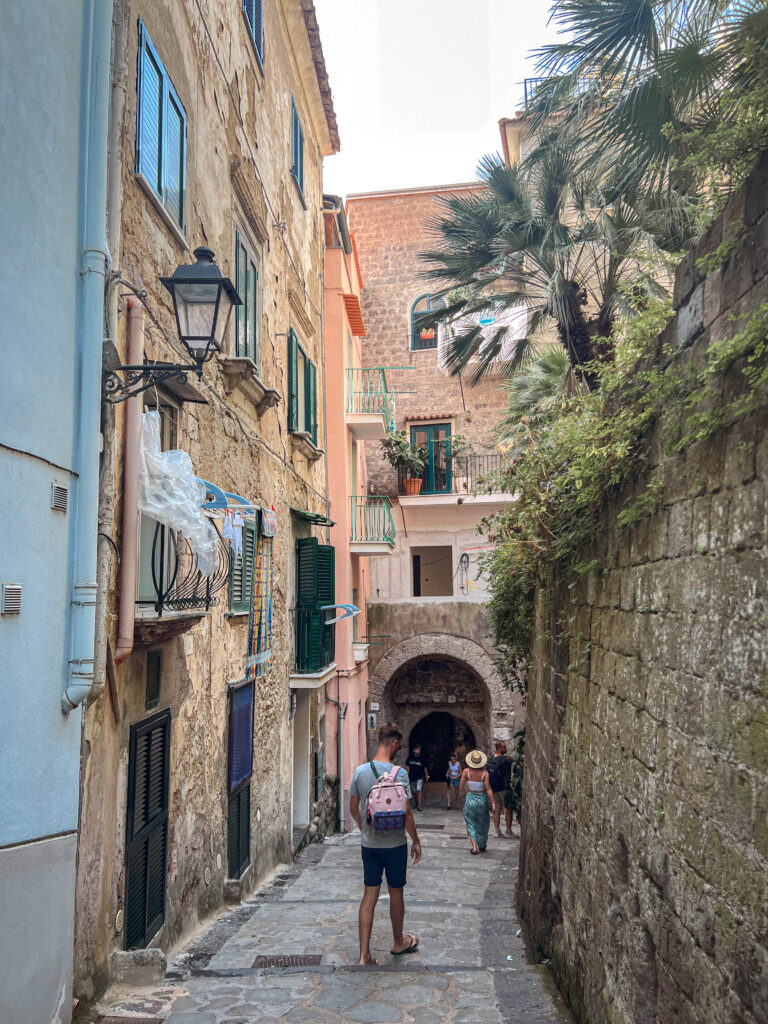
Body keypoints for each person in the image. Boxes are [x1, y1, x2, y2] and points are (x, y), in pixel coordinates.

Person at [349, 723, 422, 965]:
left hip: (370, 846)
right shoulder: (399, 774)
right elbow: (408, 813)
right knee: (396, 893)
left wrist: (364, 829)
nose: (398, 749)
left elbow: (353, 808)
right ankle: (398, 942)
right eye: (398, 746)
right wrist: (416, 841)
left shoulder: (360, 772)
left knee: (369, 895)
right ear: (392, 743)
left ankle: (363, 955)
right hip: (395, 845)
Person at [460, 749, 493, 854]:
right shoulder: (485, 773)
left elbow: (461, 786)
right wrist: (493, 802)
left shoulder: (466, 772)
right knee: (482, 823)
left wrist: (466, 794)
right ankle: (482, 844)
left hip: (470, 799)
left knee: (470, 823)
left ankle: (474, 847)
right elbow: (488, 789)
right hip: (481, 800)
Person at [487, 739, 514, 838]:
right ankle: (508, 831)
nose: (505, 748)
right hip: (504, 788)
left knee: (496, 810)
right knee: (508, 809)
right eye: (504, 747)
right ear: (499, 748)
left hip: (493, 789)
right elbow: (515, 761)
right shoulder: (506, 759)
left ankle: (497, 831)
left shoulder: (489, 759)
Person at [405, 744, 429, 812]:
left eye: (419, 749)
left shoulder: (422, 758)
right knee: (413, 791)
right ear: (413, 750)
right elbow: (408, 767)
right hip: (412, 776)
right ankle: (416, 802)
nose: (418, 751)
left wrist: (426, 775)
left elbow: (425, 767)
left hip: (420, 776)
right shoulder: (410, 757)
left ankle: (419, 805)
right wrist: (407, 775)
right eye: (416, 749)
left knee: (419, 789)